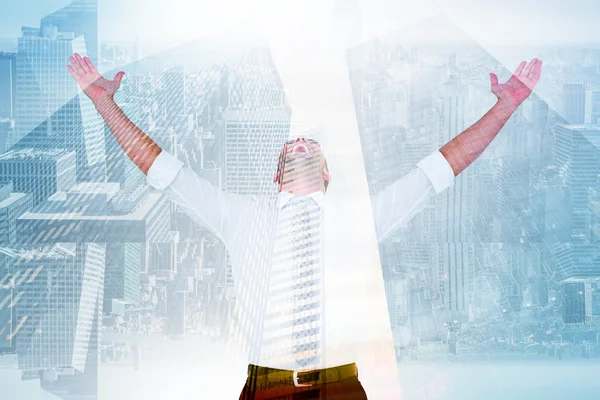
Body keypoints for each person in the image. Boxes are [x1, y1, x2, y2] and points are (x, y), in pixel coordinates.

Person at [67, 53, 542, 399]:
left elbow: (436, 172)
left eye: (309, 145)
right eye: (290, 145)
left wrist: (506, 106)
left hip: (339, 386)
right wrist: (103, 102)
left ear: (327, 174)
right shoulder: (239, 215)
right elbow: (166, 172)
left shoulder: (359, 220)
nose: (298, 142)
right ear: (276, 176)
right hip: (268, 386)